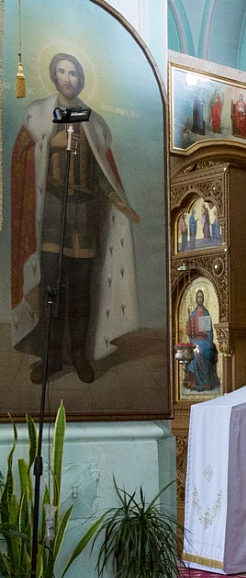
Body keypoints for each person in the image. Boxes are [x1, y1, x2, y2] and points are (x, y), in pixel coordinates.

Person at [10, 52, 140, 385]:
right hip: (52, 214)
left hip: (84, 216)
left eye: (73, 73)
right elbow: (23, 157)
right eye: (62, 72)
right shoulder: (39, 114)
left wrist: (120, 203)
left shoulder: (93, 123)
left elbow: (102, 175)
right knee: (52, 289)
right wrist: (47, 142)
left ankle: (79, 355)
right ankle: (52, 357)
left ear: (80, 79)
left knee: (82, 290)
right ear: (54, 77)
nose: (68, 78)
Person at [184, 290, 219, 393]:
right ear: (196, 299)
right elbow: (189, 332)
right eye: (198, 297)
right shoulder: (193, 314)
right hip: (195, 341)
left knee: (203, 350)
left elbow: (210, 332)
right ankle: (196, 382)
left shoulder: (206, 313)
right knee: (195, 351)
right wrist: (189, 321)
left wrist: (207, 336)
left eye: (201, 297)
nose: (199, 299)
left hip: (205, 341)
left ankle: (206, 381)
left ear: (203, 299)